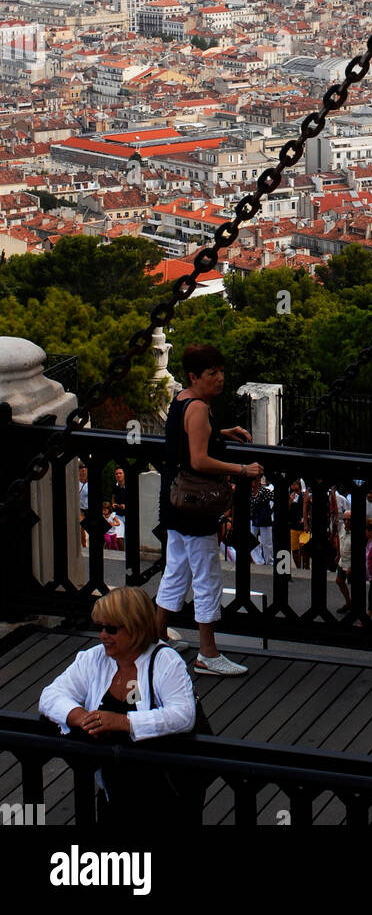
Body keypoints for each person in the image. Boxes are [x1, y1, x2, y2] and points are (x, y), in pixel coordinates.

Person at [39, 587, 197, 820]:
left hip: (162, 792)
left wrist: (123, 722)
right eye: (99, 627)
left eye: (111, 629)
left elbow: (183, 715)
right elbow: (50, 695)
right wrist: (82, 716)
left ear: (135, 627)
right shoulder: (95, 658)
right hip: (112, 789)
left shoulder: (165, 661)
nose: (102, 635)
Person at [155, 344, 262, 677]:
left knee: (176, 572)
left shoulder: (181, 400)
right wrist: (242, 471)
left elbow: (187, 442)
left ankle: (155, 640)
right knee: (206, 577)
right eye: (212, 373)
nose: (220, 378)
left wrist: (221, 433)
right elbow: (199, 460)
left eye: (220, 371)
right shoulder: (199, 408)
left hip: (175, 500)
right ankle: (208, 654)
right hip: (195, 507)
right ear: (193, 376)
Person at [250, 475, 274, 566]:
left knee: (267, 543)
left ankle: (270, 562)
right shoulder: (250, 492)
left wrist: (271, 510)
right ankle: (259, 561)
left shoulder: (265, 491)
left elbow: (275, 499)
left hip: (265, 518)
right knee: (251, 540)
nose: (253, 483)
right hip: (254, 519)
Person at [335, 509, 353, 613]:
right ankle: (348, 602)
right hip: (343, 559)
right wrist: (338, 555)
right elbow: (340, 541)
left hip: (350, 561)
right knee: (339, 580)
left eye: (349, 520)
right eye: (345, 519)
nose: (346, 522)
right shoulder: (342, 528)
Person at [112, 467, 127, 549]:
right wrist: (113, 503)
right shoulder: (115, 486)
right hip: (118, 515)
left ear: (124, 474)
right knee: (118, 536)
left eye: (120, 473)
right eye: (116, 473)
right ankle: (122, 553)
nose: (118, 475)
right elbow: (113, 497)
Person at [78, 464, 88, 549]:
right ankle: (84, 547)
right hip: (80, 509)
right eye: (81, 467)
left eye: (85, 467)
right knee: (81, 527)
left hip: (89, 509)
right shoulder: (75, 483)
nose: (83, 469)